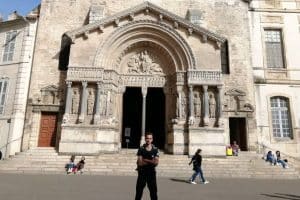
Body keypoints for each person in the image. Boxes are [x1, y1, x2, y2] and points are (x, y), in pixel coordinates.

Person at [135, 132, 159, 200]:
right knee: (138, 193)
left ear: (152, 139)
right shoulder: (141, 149)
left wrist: (145, 160)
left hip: (151, 174)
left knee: (153, 193)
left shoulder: (155, 149)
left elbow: (156, 163)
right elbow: (139, 163)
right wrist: (152, 161)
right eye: (147, 138)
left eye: (150, 138)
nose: (148, 140)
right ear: (145, 139)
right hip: (142, 173)